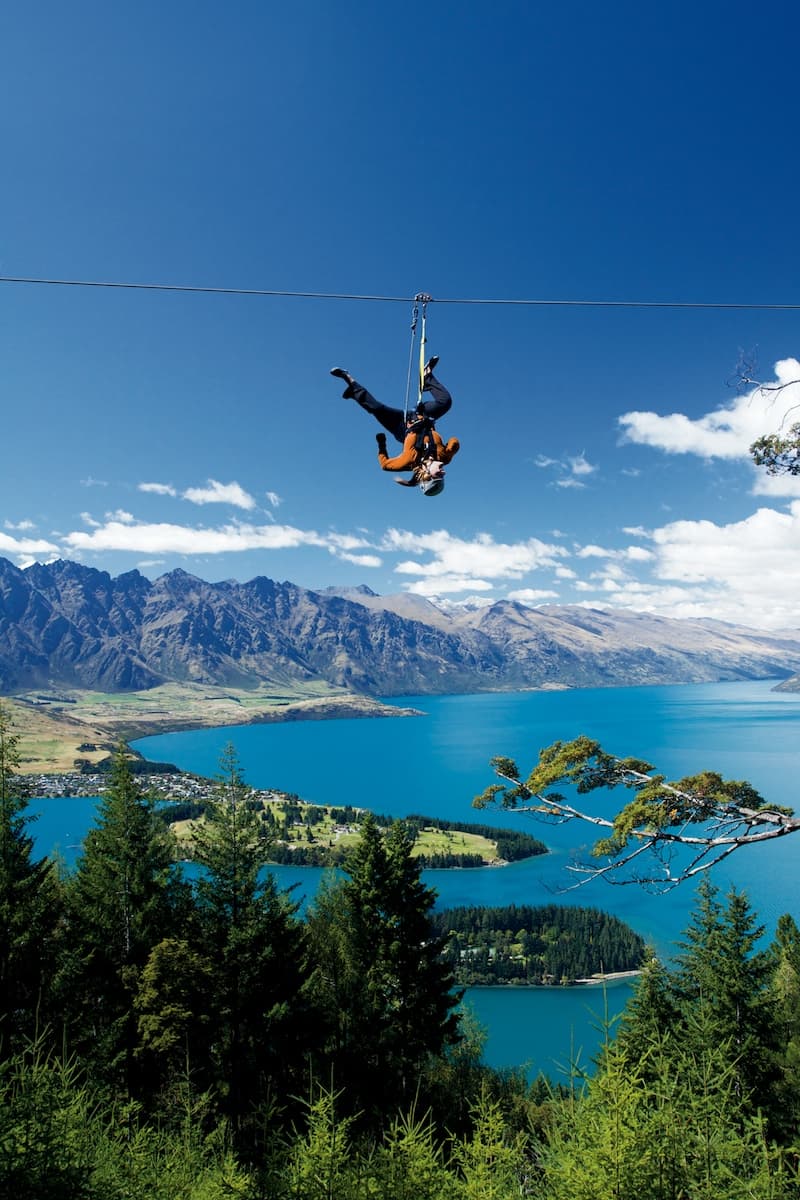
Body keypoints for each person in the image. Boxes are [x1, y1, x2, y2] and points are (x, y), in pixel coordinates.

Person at [330, 357, 460, 496]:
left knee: (377, 409)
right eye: (443, 475)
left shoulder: (408, 461)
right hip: (424, 416)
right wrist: (452, 449)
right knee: (445, 402)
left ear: (426, 475)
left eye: (439, 475)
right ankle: (427, 375)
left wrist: (382, 444)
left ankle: (350, 382)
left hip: (402, 426)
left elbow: (385, 465)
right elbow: (454, 441)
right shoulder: (444, 457)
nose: (443, 472)